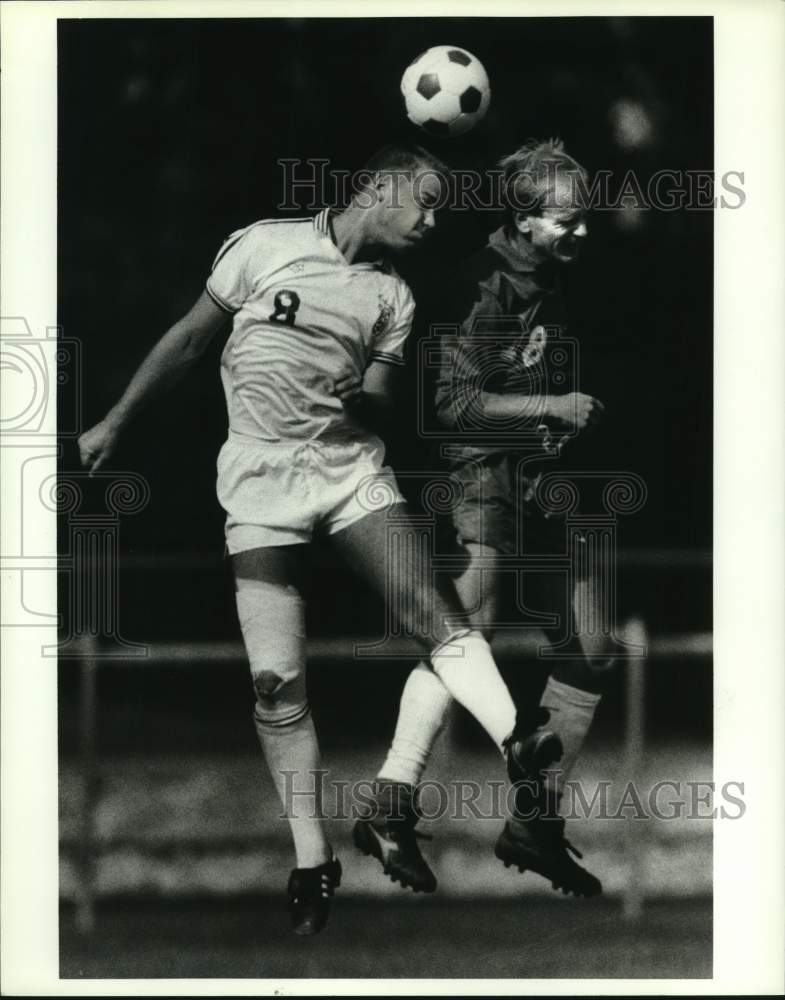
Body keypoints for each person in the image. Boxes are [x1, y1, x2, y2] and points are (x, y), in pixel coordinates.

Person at [78, 143, 564, 936]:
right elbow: (190, 340)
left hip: (345, 473)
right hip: (259, 483)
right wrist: (115, 423)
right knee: (276, 682)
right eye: (427, 201)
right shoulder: (262, 245)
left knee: (428, 607)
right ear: (378, 187)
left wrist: (362, 402)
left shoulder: (391, 297)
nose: (434, 220)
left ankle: (516, 738)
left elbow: (377, 400)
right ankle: (312, 860)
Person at [354, 138, 618, 899]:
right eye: (567, 221)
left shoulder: (546, 279)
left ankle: (533, 823)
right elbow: (453, 407)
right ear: (524, 218)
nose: (581, 233)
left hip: (537, 477)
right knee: (462, 632)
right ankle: (390, 801)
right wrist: (551, 405)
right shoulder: (485, 288)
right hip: (480, 474)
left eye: (583, 219)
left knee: (594, 647)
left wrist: (551, 426)